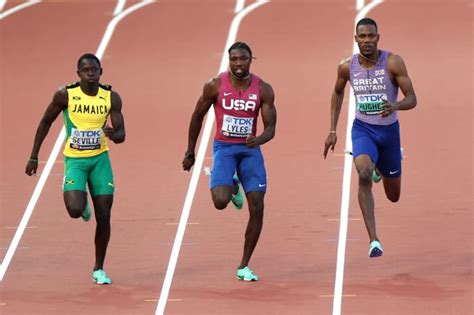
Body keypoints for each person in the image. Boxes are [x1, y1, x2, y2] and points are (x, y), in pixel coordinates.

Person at [25, 53, 125, 284]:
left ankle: (99, 268)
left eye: (95, 69)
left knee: (104, 215)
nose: (91, 73)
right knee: (74, 209)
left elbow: (122, 134)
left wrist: (114, 134)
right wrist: (34, 156)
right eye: (86, 70)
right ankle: (81, 201)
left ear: (101, 72)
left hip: (100, 160)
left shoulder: (111, 97)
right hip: (75, 160)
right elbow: (45, 122)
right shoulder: (66, 95)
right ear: (78, 73)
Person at [182, 42, 277, 281]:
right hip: (224, 148)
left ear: (250, 60)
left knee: (257, 206)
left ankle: (244, 265)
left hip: (249, 150)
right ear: (229, 60)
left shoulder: (263, 89)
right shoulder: (215, 85)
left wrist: (259, 139)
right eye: (234, 59)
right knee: (220, 201)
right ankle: (232, 184)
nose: (238, 64)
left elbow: (271, 128)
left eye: (243, 59)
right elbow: (197, 116)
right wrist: (190, 151)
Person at [323, 18, 417, 257]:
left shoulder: (393, 62)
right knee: (363, 172)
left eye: (371, 36)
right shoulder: (347, 66)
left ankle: (385, 166)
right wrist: (333, 130)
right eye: (362, 36)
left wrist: (395, 105)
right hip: (363, 128)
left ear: (378, 37)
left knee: (393, 196)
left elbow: (412, 98)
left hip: (389, 133)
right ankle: (374, 240)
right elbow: (337, 91)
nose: (367, 41)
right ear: (356, 39)